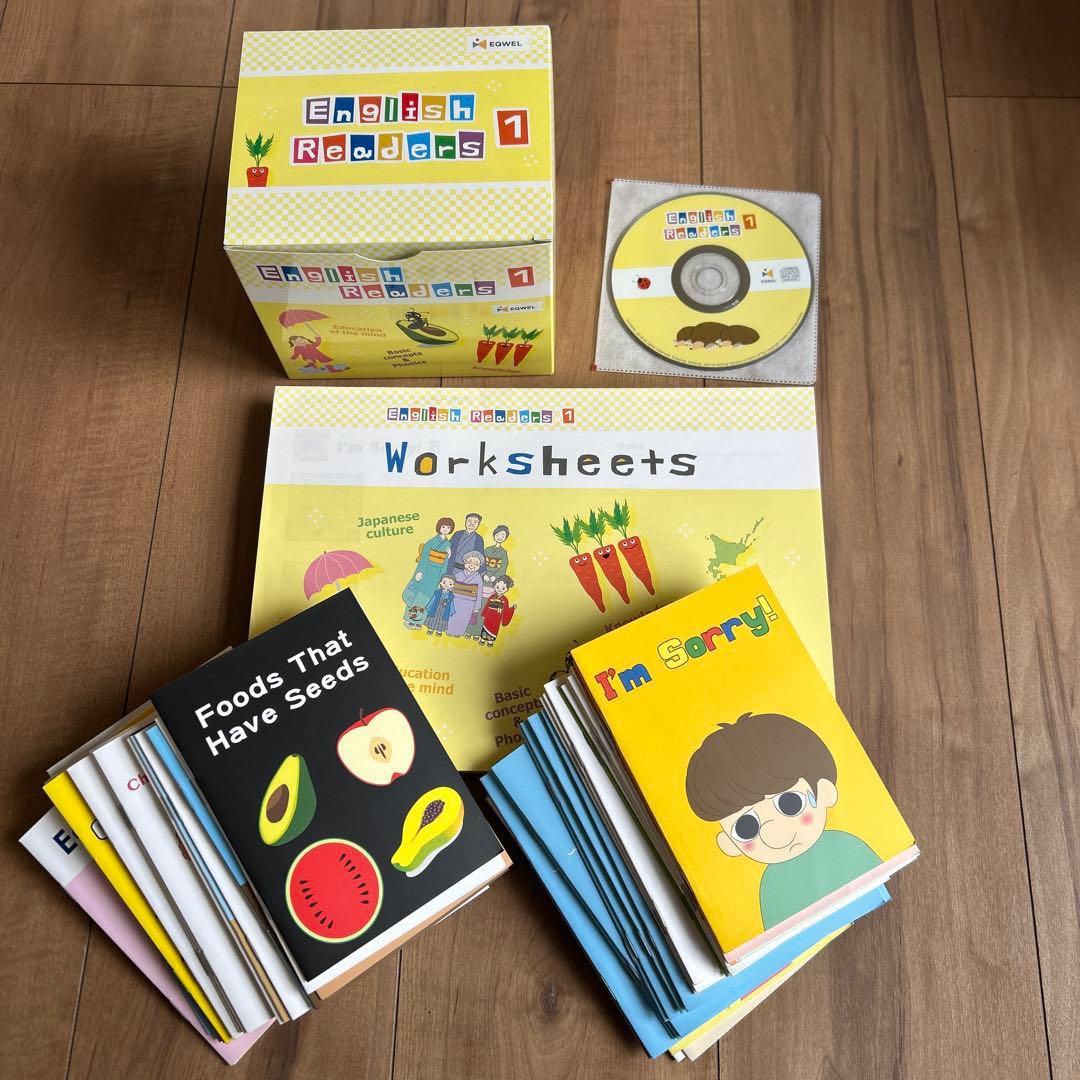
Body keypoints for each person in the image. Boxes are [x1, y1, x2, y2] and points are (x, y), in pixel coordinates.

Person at [685, 712, 883, 931]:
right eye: (746, 827)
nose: (774, 836)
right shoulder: (772, 886)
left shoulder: (847, 847)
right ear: (729, 843)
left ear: (824, 792)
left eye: (790, 803)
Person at [403, 516, 454, 628]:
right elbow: (424, 559)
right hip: (426, 571)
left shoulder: (448, 544)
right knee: (418, 596)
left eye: (448, 527)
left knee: (429, 598)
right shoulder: (431, 542)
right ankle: (409, 619)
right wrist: (420, 572)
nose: (445, 529)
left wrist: (442, 577)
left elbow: (445, 563)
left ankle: (419, 622)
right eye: (443, 526)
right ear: (439, 527)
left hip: (437, 574)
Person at [446, 551, 484, 637]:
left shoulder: (478, 578)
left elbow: (479, 592)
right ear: (464, 562)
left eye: (476, 564)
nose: (472, 565)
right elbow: (452, 585)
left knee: (463, 617)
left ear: (480, 565)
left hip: (469, 602)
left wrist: (477, 606)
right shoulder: (459, 574)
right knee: (453, 615)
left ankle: (459, 632)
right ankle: (449, 630)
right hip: (456, 599)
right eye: (469, 562)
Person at [479, 575, 516, 647]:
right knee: (486, 627)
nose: (500, 589)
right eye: (498, 587)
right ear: (495, 585)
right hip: (489, 616)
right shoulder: (492, 596)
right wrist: (484, 614)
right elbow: (487, 605)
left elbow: (506, 610)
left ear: (507, 589)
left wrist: (512, 609)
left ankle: (490, 641)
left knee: (493, 629)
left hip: (497, 617)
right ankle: (482, 639)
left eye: (503, 588)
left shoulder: (505, 600)